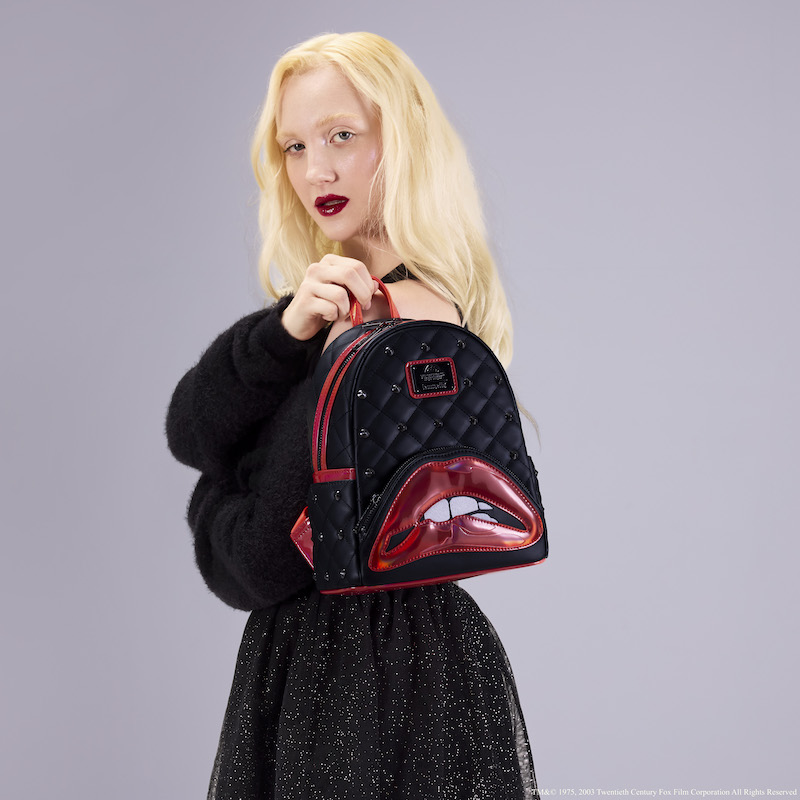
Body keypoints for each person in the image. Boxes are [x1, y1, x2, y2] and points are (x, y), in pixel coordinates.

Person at [166, 31, 540, 800]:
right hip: (389, 666)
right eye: (295, 146)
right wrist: (280, 332)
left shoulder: (383, 331)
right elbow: (191, 429)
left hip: (352, 684)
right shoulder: (370, 307)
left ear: (398, 139)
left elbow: (262, 562)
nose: (317, 170)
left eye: (343, 136)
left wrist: (212, 500)